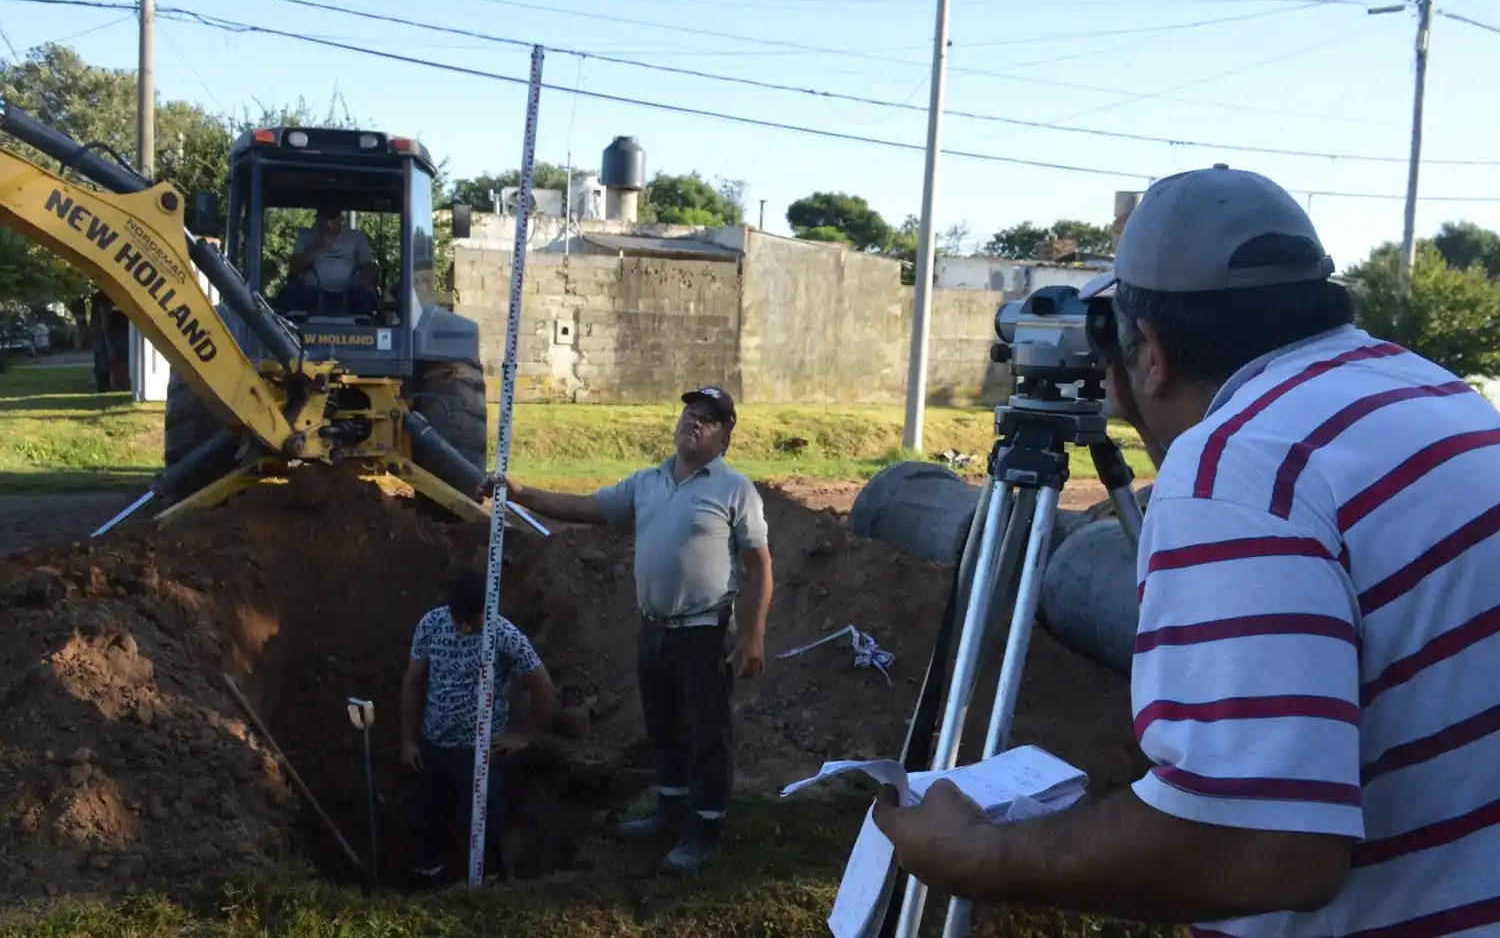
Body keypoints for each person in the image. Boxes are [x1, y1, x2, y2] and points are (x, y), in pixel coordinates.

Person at [871, 164, 1500, 935]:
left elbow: (1267, 849)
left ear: (1153, 350)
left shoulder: (1241, 464)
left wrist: (980, 853)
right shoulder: (1435, 397)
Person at [480, 386, 774, 876]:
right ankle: (669, 813)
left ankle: (703, 831)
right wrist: (524, 493)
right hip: (654, 629)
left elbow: (760, 565)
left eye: (708, 419)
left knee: (708, 736)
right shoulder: (647, 482)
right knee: (662, 728)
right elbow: (587, 508)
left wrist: (755, 633)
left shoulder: (735, 490)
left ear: (724, 438)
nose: (693, 423)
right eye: (689, 413)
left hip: (705, 631)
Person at [399, 566, 555, 882]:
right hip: (435, 746)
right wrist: (408, 740)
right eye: (461, 622)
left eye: (475, 621)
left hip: (481, 753)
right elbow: (414, 682)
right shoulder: (431, 626)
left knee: (486, 823)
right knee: (428, 820)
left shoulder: (503, 634)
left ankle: (487, 883)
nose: (468, 629)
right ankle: (427, 882)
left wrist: (525, 735)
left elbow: (543, 685)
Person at [280, 205, 381, 318]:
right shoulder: (305, 235)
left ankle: (361, 331)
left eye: (332, 218)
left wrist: (365, 276)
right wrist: (316, 247)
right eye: (323, 218)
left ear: (341, 219)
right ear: (317, 219)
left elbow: (368, 266)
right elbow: (294, 267)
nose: (328, 223)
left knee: (366, 297)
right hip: (312, 292)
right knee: (289, 293)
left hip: (349, 292)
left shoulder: (356, 237)